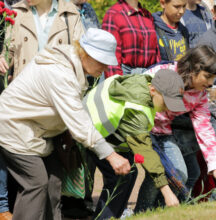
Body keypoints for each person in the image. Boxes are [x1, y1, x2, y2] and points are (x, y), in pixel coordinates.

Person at [0, 28, 131, 220]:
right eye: (101, 61)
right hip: (13, 128)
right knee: (36, 183)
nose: (105, 67)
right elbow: (79, 122)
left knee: (53, 183)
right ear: (85, 53)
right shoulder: (60, 73)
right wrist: (111, 155)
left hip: (37, 132)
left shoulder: (72, 63)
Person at [135, 45, 216, 213]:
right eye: (207, 76)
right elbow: (137, 90)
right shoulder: (163, 72)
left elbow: (204, 128)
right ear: (192, 69)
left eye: (213, 78)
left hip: (163, 132)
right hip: (141, 129)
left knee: (180, 175)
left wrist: (215, 166)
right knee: (159, 172)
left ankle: (160, 213)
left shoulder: (201, 94)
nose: (210, 83)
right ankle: (141, 213)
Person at [84, 69, 186, 219]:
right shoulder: (137, 108)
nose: (169, 108)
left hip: (110, 133)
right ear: (152, 90)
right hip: (92, 133)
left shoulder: (148, 80)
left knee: (130, 172)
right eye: (167, 102)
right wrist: (167, 192)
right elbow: (145, 151)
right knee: (121, 177)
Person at [0, 0, 84, 77]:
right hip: (24, 87)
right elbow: (9, 51)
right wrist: (2, 61)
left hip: (57, 88)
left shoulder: (70, 14)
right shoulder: (17, 12)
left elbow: (79, 57)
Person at [102, 0, 160, 77]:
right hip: (125, 77)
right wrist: (117, 84)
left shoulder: (147, 15)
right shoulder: (113, 14)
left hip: (149, 76)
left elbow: (156, 53)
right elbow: (111, 60)